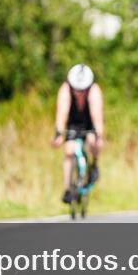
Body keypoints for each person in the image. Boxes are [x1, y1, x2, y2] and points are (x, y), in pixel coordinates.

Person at [51, 64, 105, 204]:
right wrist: (58, 134)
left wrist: (99, 136)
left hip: (88, 122)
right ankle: (67, 189)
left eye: (82, 91)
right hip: (72, 123)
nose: (78, 93)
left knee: (94, 141)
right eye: (75, 90)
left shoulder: (94, 91)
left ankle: (94, 166)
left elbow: (97, 116)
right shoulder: (65, 90)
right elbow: (61, 114)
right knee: (69, 151)